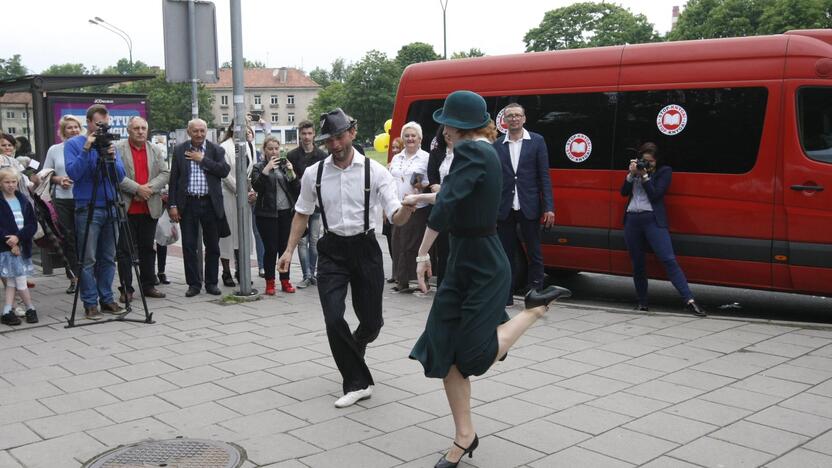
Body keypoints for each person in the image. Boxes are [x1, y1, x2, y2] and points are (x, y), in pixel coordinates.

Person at [405, 90, 568, 468]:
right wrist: (418, 200)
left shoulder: (471, 152)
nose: (442, 127)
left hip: (481, 265)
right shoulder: (483, 152)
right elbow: (454, 194)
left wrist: (422, 253)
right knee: (442, 348)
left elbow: (448, 205)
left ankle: (534, 310)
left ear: (454, 126)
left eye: (445, 121)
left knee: (472, 356)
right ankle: (465, 436)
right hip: (466, 260)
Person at [277, 108, 416, 408]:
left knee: (372, 322)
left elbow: (395, 214)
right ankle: (357, 382)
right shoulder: (315, 174)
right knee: (332, 316)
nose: (335, 145)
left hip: (365, 248)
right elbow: (302, 212)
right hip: (332, 250)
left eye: (339, 137)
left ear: (352, 133)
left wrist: (406, 210)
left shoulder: (376, 172)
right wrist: (289, 250)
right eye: (329, 140)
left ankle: (358, 345)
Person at [622, 142, 706, 317]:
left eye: (650, 161)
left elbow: (655, 194)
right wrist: (631, 174)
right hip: (632, 220)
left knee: (668, 259)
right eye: (644, 161)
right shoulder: (635, 171)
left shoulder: (664, 172)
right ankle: (642, 302)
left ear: (656, 161)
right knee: (637, 263)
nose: (646, 164)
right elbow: (623, 192)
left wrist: (644, 176)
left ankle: (689, 300)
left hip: (652, 220)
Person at [64, 104, 127, 320]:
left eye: (106, 125)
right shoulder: (74, 144)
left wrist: (110, 157)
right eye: (99, 125)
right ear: (89, 122)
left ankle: (107, 298)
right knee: (88, 258)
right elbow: (74, 173)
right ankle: (90, 303)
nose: (102, 129)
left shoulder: (109, 145)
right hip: (88, 207)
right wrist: (87, 149)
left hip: (111, 205)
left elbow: (119, 176)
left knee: (108, 258)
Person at [493, 103, 554, 305]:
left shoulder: (537, 141)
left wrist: (549, 207)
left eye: (517, 115)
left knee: (535, 253)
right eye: (510, 116)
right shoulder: (498, 144)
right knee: (505, 254)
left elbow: (544, 176)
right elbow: (495, 180)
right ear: (505, 120)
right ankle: (506, 295)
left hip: (529, 206)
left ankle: (535, 295)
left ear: (524, 118)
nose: (514, 119)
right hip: (505, 207)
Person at [168, 118, 231, 297]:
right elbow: (174, 179)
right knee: (188, 246)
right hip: (188, 204)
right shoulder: (180, 150)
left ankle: (211, 283)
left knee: (213, 246)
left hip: (210, 204)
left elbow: (224, 171)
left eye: (202, 131)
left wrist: (202, 160)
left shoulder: (216, 150)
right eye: (195, 131)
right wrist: (172, 205)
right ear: (189, 132)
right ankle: (194, 284)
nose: (199, 134)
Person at [115, 116, 169, 302]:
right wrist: (136, 189)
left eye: (143, 128)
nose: (140, 131)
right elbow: (116, 175)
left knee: (147, 248)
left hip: (149, 206)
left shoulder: (155, 149)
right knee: (124, 251)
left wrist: (148, 189)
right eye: (136, 128)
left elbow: (165, 173)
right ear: (129, 130)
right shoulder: (118, 149)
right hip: (127, 208)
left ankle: (148, 285)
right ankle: (126, 289)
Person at [251, 136, 299, 295]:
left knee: (285, 249)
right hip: (266, 214)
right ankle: (270, 283)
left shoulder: (285, 166)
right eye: (270, 149)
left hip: (286, 213)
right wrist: (266, 170)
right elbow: (257, 186)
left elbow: (296, 188)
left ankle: (285, 281)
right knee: (270, 249)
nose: (274, 152)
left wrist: (291, 172)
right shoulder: (259, 167)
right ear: (264, 150)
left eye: (276, 149)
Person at [43, 115, 84, 294]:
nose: (74, 130)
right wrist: (58, 179)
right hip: (63, 199)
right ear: (62, 131)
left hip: (83, 199)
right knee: (69, 238)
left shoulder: (86, 147)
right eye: (69, 127)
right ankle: (74, 277)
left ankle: (88, 275)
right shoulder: (55, 149)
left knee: (85, 237)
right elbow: (45, 174)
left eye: (76, 127)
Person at [388, 122, 430, 292]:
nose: (410, 139)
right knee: (398, 243)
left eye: (413, 136)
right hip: (398, 206)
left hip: (417, 207)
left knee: (415, 243)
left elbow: (429, 181)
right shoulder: (397, 158)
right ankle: (401, 279)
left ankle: (420, 279)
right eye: (407, 136)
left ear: (420, 138)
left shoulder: (426, 157)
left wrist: (421, 186)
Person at [286, 120, 327, 289]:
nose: (307, 137)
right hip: (299, 203)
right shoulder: (292, 156)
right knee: (301, 241)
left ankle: (314, 272)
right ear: (299, 135)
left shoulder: (322, 156)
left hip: (317, 204)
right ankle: (306, 275)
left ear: (314, 134)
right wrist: (298, 181)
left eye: (310, 133)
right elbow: (290, 180)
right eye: (304, 134)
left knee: (315, 240)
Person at [218, 123, 255, 287]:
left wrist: (251, 191)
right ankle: (226, 271)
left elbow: (250, 171)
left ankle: (241, 270)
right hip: (229, 196)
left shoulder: (248, 145)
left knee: (243, 234)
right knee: (227, 235)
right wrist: (239, 190)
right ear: (232, 129)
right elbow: (225, 173)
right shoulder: (224, 147)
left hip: (245, 198)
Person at [0, 168, 38, 326]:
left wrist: (18, 238)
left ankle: (7, 310)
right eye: (7, 182)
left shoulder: (23, 200)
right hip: (7, 247)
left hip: (22, 245)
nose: (10, 185)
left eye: (13, 182)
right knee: (20, 280)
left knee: (12, 281)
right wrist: (10, 242)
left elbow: (32, 224)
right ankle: (30, 308)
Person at [426, 125, 454, 287]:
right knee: (444, 250)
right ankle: (443, 285)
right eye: (445, 133)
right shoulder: (437, 154)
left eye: (451, 132)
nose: (448, 135)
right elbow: (432, 177)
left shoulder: (464, 154)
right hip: (441, 205)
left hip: (460, 208)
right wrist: (436, 186)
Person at [382, 136, 404, 284]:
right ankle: (395, 272)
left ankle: (400, 274)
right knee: (391, 240)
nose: (395, 150)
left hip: (401, 206)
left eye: (398, 147)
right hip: (389, 207)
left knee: (401, 241)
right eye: (393, 147)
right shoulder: (390, 165)